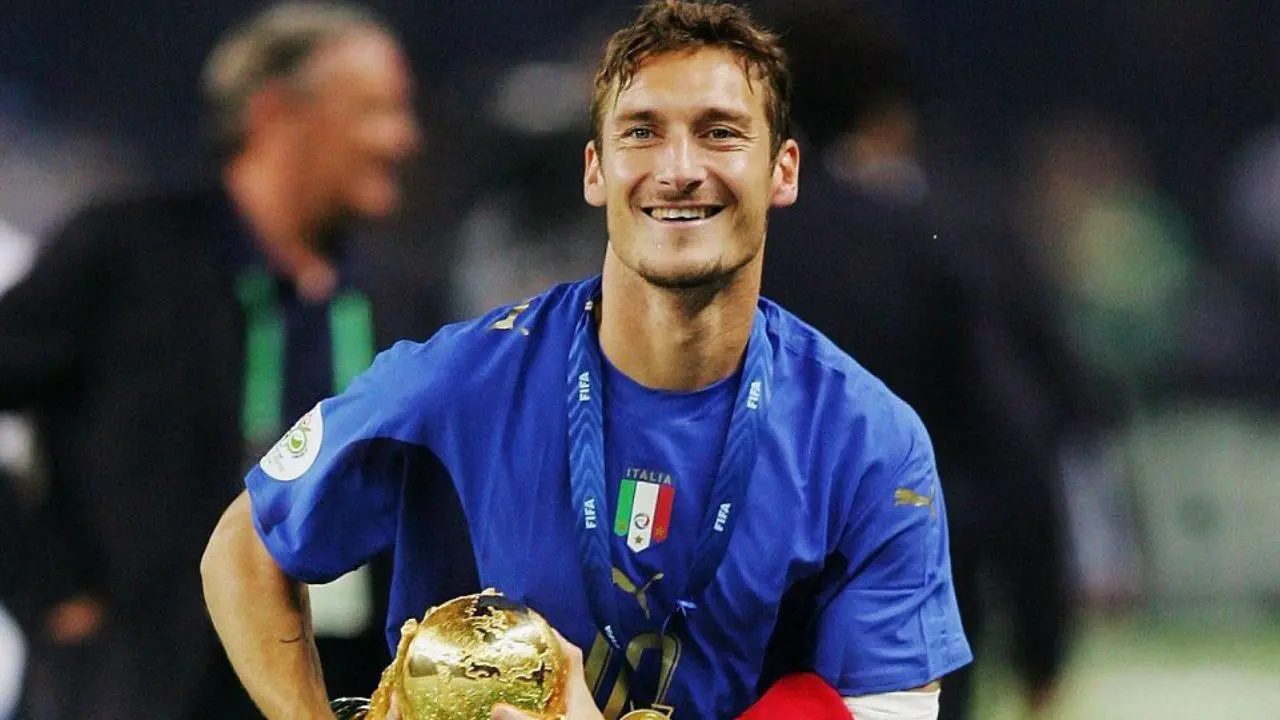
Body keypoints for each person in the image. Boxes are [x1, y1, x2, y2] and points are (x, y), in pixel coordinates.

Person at [202, 2, 972, 718]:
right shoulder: (459, 383)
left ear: (784, 170)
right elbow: (244, 551)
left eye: (720, 132)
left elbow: (891, 709)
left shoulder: (867, 442)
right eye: (641, 132)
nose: (678, 168)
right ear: (595, 170)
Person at [0, 2, 450, 717]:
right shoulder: (124, 254)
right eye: (375, 110)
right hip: (137, 692)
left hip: (330, 687)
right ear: (276, 113)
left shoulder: (405, 300)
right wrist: (46, 585)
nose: (403, 138)